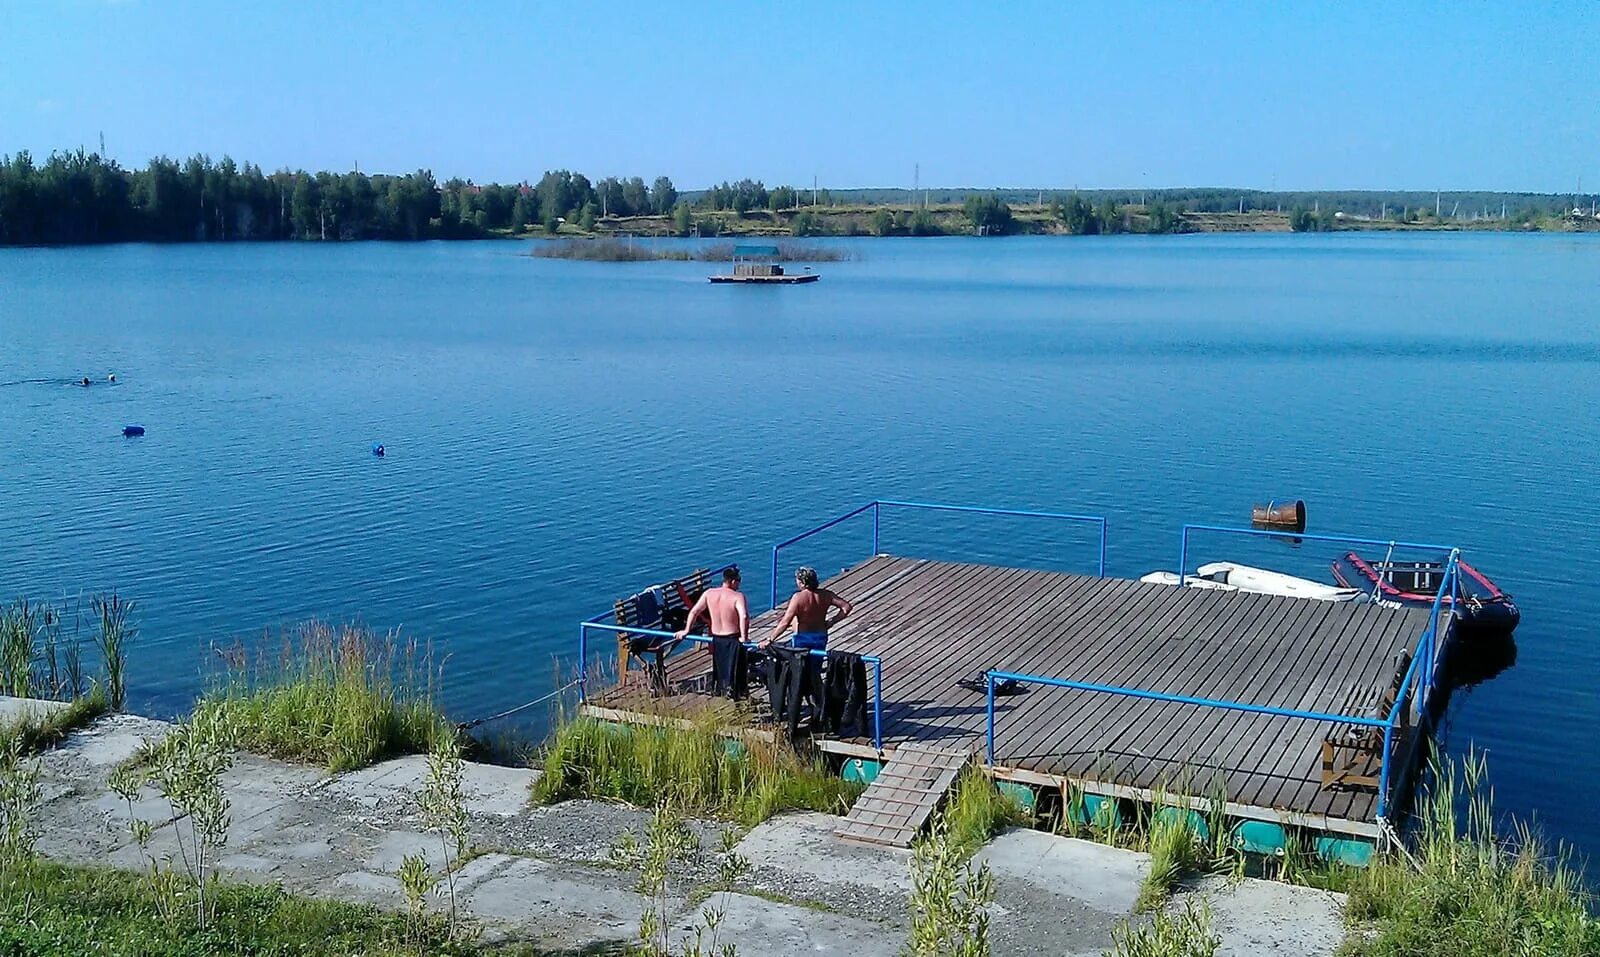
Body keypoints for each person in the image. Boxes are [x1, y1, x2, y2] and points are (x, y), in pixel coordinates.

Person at [766, 566, 852, 651]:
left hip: (803, 637)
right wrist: (832, 621)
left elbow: (785, 622)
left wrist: (770, 639)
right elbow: (846, 607)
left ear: (802, 583)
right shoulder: (826, 595)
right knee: (816, 663)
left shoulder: (798, 598)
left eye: (797, 580)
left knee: (801, 662)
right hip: (820, 636)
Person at [676, 565, 749, 644]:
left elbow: (694, 611)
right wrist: (744, 638)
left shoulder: (709, 593)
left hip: (716, 638)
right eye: (739, 582)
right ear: (733, 582)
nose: (738, 586)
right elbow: (744, 617)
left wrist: (687, 630)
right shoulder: (738, 596)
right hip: (733, 638)